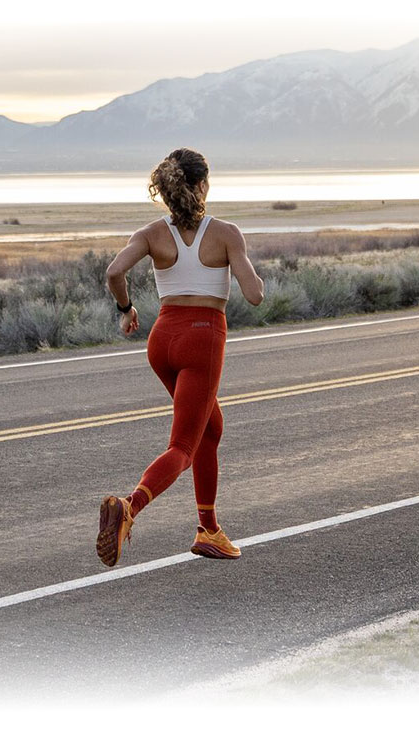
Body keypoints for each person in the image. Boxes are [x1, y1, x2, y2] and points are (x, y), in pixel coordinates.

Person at [95, 148, 265, 567]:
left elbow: (114, 272)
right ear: (203, 186)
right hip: (202, 339)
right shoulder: (226, 233)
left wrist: (126, 309)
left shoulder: (152, 233)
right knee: (184, 446)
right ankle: (128, 506)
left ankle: (209, 529)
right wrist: (242, 266)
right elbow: (255, 295)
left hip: (162, 340)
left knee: (210, 429)